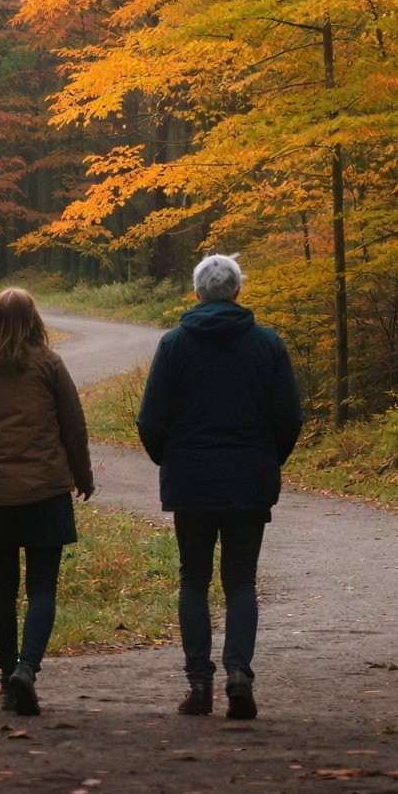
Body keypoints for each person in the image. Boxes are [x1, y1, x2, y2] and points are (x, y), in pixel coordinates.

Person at [136, 254, 304, 720]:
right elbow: (288, 417)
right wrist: (268, 461)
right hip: (249, 480)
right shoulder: (268, 344)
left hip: (190, 480)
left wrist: (169, 459)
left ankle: (199, 685)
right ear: (238, 292)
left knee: (194, 579)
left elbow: (151, 419)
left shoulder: (173, 345)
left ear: (196, 294)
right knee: (240, 581)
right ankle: (239, 675)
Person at [0, 288, 95, 717]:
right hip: (45, 491)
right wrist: (82, 477)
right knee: (43, 586)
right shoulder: (49, 364)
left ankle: (7, 675)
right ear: (34, 320)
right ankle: (27, 670)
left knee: (2, 586)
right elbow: (74, 427)